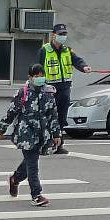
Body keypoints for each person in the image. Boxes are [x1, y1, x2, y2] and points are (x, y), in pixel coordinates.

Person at [0, 63, 62, 207]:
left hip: (42, 134)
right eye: (36, 76)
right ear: (30, 78)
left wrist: (57, 134)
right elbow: (11, 111)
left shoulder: (48, 94)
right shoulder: (23, 92)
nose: (39, 79)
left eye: (41, 76)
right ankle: (36, 195)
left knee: (30, 162)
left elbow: (53, 115)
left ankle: (15, 179)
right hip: (26, 133)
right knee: (33, 165)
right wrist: (1, 129)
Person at [37, 23, 92, 154]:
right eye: (60, 34)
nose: (63, 36)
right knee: (48, 117)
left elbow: (77, 61)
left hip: (65, 89)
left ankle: (59, 145)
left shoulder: (67, 50)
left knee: (61, 118)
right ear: (53, 35)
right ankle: (44, 143)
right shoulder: (44, 51)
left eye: (64, 34)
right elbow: (38, 68)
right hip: (50, 89)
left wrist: (84, 67)